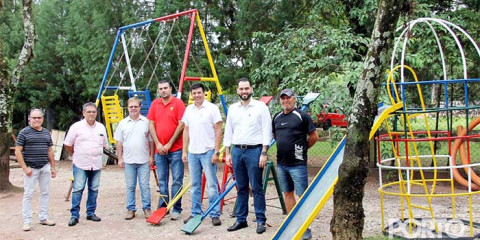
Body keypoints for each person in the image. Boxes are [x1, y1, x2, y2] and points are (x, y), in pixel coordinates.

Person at [223, 78, 272, 234]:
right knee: (241, 187)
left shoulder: (261, 107)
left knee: (257, 187)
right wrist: (227, 153)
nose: (244, 91)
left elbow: (267, 131)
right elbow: (228, 131)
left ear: (251, 89)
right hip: (237, 151)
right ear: (237, 91)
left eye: (246, 88)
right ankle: (241, 219)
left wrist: (264, 152)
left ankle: (260, 220)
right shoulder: (233, 109)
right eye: (241, 89)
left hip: (255, 151)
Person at [272, 88, 319, 240]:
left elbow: (314, 136)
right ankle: (292, 223)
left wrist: (302, 149)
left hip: (297, 164)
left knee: (302, 195)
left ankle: (305, 228)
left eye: (288, 98)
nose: (286, 101)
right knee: (287, 193)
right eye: (283, 98)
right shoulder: (277, 117)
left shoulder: (302, 116)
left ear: (294, 99)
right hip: (282, 163)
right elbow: (276, 135)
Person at [181, 83, 222, 226]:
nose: (197, 95)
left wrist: (216, 151)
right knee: (195, 185)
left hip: (208, 151)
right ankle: (195, 213)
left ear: (204, 93)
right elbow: (186, 130)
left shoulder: (212, 108)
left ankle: (214, 213)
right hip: (193, 152)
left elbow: (218, 130)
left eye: (199, 92)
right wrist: (184, 150)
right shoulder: (189, 110)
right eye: (194, 93)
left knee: (211, 185)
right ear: (191, 95)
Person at [64, 102, 108, 226]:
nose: (91, 114)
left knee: (94, 189)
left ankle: (91, 213)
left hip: (96, 164)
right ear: (83, 113)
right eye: (88, 112)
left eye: (93, 112)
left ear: (96, 113)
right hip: (80, 164)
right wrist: (75, 154)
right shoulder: (76, 127)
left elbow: (105, 145)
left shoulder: (101, 127)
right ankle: (74, 215)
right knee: (78, 189)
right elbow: (67, 143)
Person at [147, 80, 186, 220]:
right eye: (160, 88)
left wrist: (169, 143)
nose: (163, 90)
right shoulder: (154, 104)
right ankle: (163, 207)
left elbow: (181, 125)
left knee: (177, 180)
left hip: (175, 149)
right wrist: (158, 144)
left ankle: (176, 207)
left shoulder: (178, 103)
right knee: (162, 180)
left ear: (171, 89)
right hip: (159, 150)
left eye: (165, 88)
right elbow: (151, 123)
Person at [15, 108, 57, 231]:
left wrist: (53, 167)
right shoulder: (24, 133)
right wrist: (24, 168)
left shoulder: (45, 133)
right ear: (29, 119)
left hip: (45, 167)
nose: (37, 120)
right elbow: (18, 151)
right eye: (34, 118)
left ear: (42, 119)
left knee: (45, 193)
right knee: (28, 194)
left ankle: (43, 218)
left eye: (39, 117)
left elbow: (50, 150)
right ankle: (27, 221)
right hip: (31, 168)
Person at [114, 97, 154, 220]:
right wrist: (120, 158)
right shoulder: (123, 123)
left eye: (135, 106)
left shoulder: (146, 122)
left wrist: (151, 156)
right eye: (131, 106)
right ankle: (130, 209)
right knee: (130, 186)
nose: (133, 108)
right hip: (129, 160)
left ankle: (147, 209)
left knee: (145, 186)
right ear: (128, 108)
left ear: (139, 107)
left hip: (143, 160)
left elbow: (151, 142)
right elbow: (119, 142)